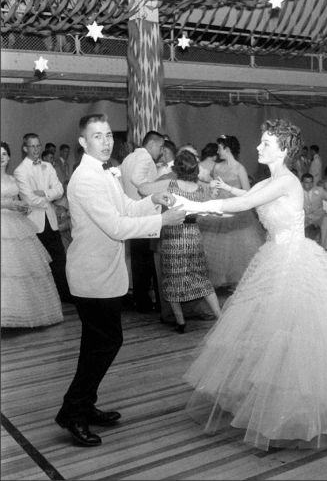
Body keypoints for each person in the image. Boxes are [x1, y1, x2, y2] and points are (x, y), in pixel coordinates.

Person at [178, 119, 327, 451]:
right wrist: (227, 190)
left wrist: (192, 205)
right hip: (275, 258)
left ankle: (303, 409)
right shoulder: (273, 180)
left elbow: (242, 206)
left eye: (266, 142)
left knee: (296, 335)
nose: (258, 147)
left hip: (293, 260)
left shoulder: (286, 181)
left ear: (283, 148)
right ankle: (277, 405)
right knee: (271, 336)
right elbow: (249, 196)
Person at [54, 114, 185, 447]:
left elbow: (125, 207)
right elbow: (116, 226)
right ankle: (73, 411)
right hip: (92, 276)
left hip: (105, 273)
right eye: (97, 136)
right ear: (83, 141)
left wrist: (151, 201)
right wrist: (163, 220)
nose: (106, 141)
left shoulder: (104, 171)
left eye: (108, 134)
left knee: (97, 346)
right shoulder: (85, 179)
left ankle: (84, 404)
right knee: (105, 344)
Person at [139, 150, 222, 332]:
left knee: (172, 278)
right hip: (193, 235)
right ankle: (220, 317)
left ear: (177, 168)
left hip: (172, 236)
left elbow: (142, 189)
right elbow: (211, 200)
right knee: (201, 278)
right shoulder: (201, 188)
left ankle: (181, 322)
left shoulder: (170, 183)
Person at [1, 142, 63, 328]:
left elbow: (19, 200)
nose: (1, 157)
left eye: (4, 153)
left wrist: (21, 207)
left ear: (9, 156)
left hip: (15, 222)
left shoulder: (12, 179)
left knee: (20, 271)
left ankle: (16, 314)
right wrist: (5, 205)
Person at [197, 135, 266, 289]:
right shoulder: (217, 167)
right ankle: (217, 285)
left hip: (237, 213)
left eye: (220, 148)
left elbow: (248, 192)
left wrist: (229, 189)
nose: (218, 151)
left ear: (227, 149)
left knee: (238, 251)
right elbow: (213, 186)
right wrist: (213, 190)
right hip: (220, 211)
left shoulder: (239, 168)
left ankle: (236, 285)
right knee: (217, 251)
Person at [14, 133, 72, 303]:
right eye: (32, 146)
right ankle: (41, 299)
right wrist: (48, 197)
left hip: (50, 221)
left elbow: (60, 190)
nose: (36, 149)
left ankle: (64, 294)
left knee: (59, 259)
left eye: (38, 145)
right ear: (25, 148)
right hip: (33, 223)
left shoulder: (48, 165)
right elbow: (28, 198)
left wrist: (44, 193)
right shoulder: (20, 170)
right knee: (37, 263)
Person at [120, 131, 164, 313]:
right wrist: (157, 191)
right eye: (160, 147)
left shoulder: (128, 158)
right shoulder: (145, 158)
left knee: (138, 260)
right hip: (144, 213)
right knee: (147, 260)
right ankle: (147, 302)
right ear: (152, 144)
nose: (161, 151)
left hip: (131, 214)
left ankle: (141, 300)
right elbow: (138, 180)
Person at [302, 173, 327, 250]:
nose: (309, 184)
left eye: (311, 182)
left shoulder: (319, 190)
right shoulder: (297, 191)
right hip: (304, 218)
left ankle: (325, 249)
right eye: (306, 182)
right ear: (302, 183)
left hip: (319, 216)